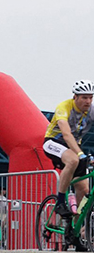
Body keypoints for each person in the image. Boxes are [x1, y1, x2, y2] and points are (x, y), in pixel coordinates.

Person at [43, 80, 94, 218]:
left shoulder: (91, 110)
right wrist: (80, 154)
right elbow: (66, 134)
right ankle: (60, 201)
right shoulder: (64, 107)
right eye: (84, 97)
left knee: (84, 190)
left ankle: (74, 229)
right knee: (73, 160)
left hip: (74, 147)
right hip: (54, 142)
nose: (88, 101)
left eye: (90, 97)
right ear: (75, 97)